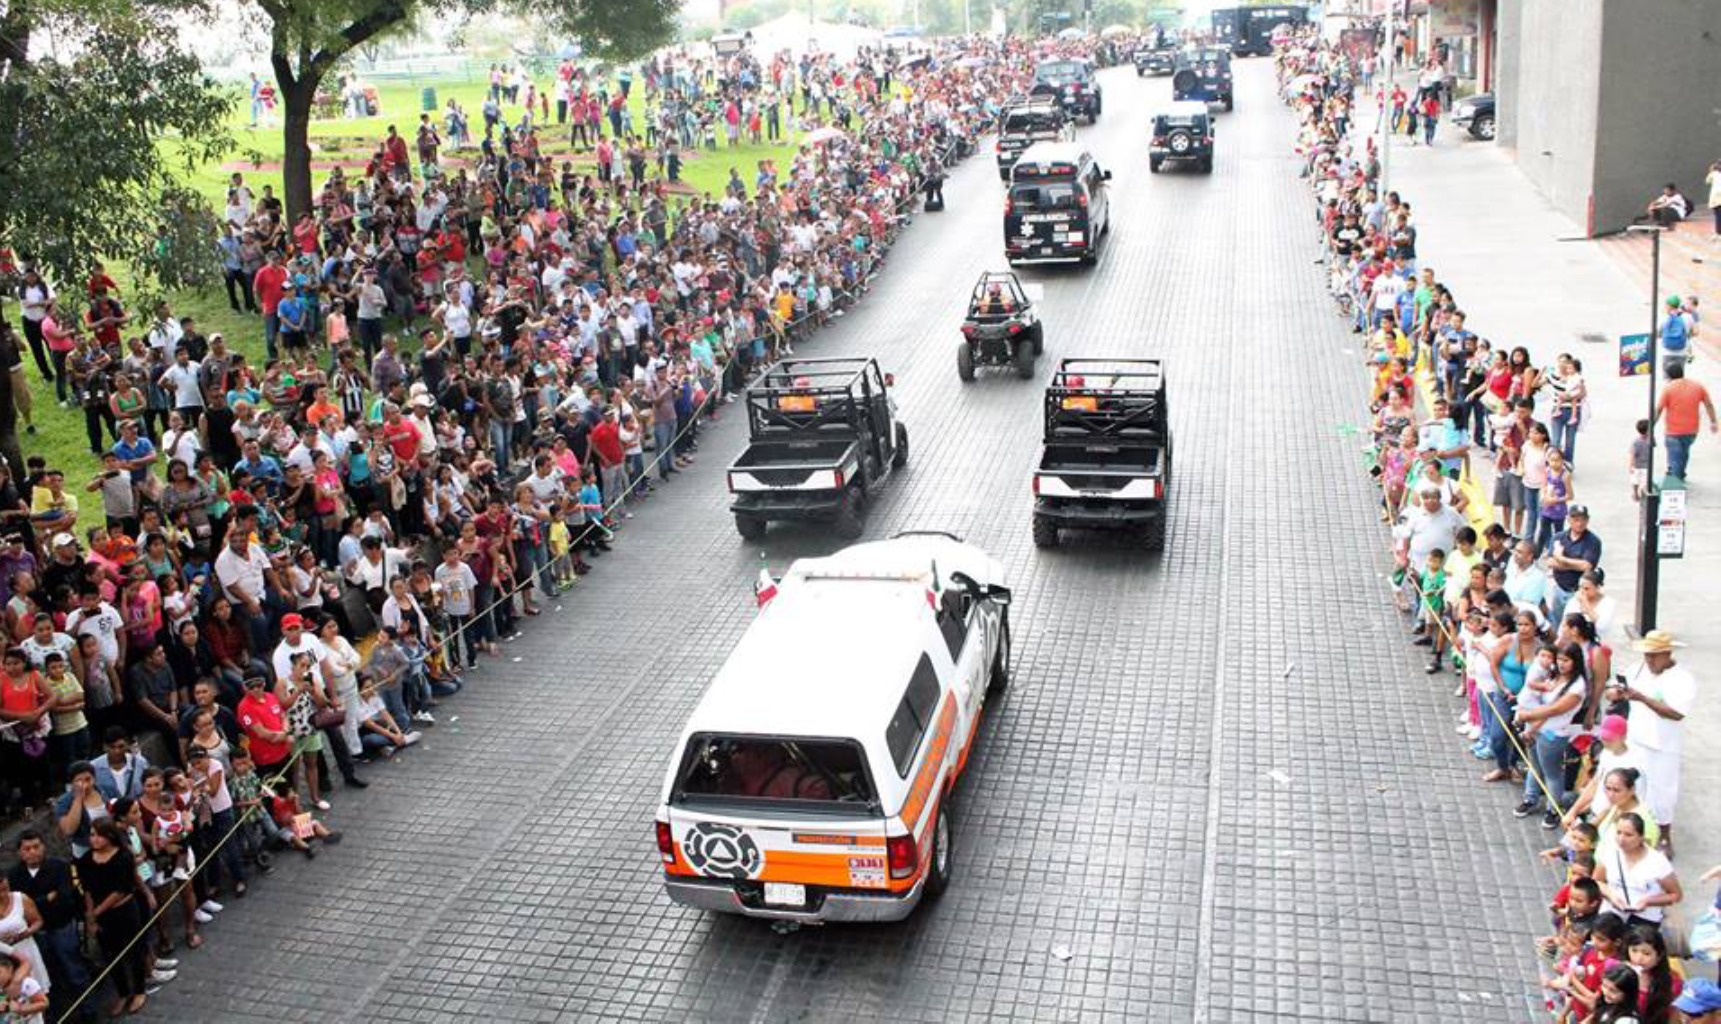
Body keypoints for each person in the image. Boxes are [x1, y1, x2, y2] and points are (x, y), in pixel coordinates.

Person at [1608, 630, 1695, 856]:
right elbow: (1613, 691)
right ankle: (1635, 830)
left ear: (1667, 654)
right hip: (1637, 739)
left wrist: (1643, 698)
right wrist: (1618, 693)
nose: (1649, 660)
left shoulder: (1683, 679)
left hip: (1663, 746)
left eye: (1654, 656)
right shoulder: (1637, 670)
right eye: (1647, 655)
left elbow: (1676, 713)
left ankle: (1665, 835)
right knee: (1637, 788)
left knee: (1663, 791)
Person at [7, 831, 92, 1024]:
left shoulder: (59, 866)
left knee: (74, 969)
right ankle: (55, 1013)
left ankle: (88, 1009)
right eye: (27, 848)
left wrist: (34, 903)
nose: (33, 852)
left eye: (37, 846)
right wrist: (46, 898)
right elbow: (19, 905)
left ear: (44, 846)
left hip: (60, 926)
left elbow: (64, 897)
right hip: (36, 934)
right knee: (46, 975)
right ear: (20, 852)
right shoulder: (15, 875)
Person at [1591, 812, 1682, 931]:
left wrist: (1648, 901)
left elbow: (1675, 895)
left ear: (1641, 837)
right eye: (1618, 833)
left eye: (1628, 835)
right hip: (1611, 915)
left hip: (1644, 919)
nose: (1621, 839)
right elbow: (1597, 881)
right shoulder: (1609, 853)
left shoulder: (1658, 862)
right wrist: (1611, 895)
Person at [1652, 360, 1716, 481]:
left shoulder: (1668, 389)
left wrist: (1651, 427)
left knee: (1674, 458)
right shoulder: (1698, 386)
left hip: (1673, 431)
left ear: (1669, 375)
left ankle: (1676, 485)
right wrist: (1713, 422)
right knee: (1684, 453)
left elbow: (1658, 410)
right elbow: (1709, 404)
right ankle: (1680, 474)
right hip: (1692, 431)